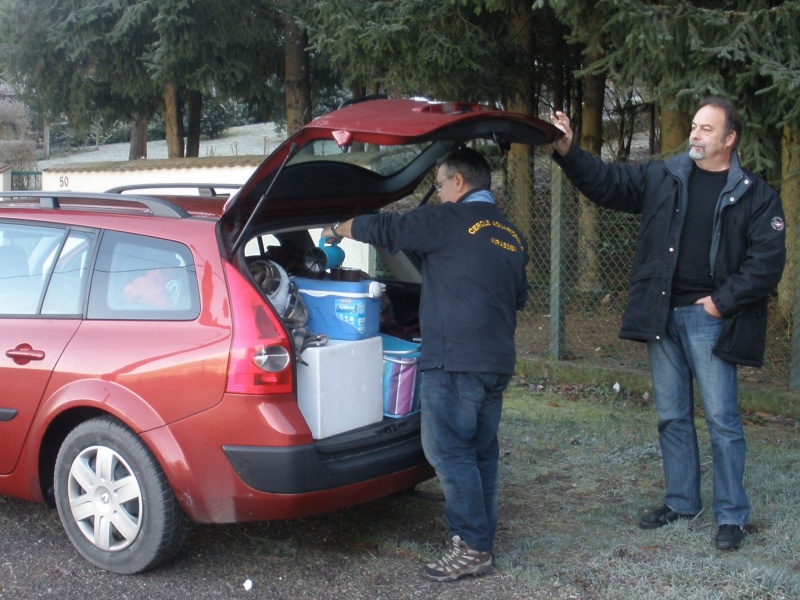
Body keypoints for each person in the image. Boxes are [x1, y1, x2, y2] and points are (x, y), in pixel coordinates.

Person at [550, 98, 786, 550]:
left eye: (706, 129)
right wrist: (568, 152)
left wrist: (719, 303)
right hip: (662, 316)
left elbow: (766, 262)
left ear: (730, 138)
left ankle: (732, 516)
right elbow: (609, 184)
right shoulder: (665, 176)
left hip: (710, 320)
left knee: (721, 419)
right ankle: (681, 502)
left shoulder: (755, 194)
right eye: (694, 126)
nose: (695, 134)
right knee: (672, 416)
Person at [321, 147, 529, 581]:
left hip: (454, 360)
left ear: (458, 182)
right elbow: (519, 297)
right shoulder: (511, 235)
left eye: (437, 185)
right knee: (480, 451)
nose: (437, 193)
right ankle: (482, 538)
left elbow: (388, 228)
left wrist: (339, 228)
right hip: (496, 361)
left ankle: (470, 545)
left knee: (448, 451)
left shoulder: (448, 220)